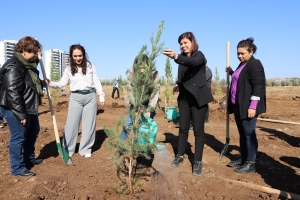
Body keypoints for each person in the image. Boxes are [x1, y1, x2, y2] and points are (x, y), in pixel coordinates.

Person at [163, 32, 214, 176]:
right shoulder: (182, 59)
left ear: (192, 43)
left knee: (198, 131)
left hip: (198, 98)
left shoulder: (199, 55)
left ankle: (197, 161)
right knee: (183, 128)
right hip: (184, 98)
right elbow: (183, 76)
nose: (183, 45)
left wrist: (176, 57)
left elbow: (194, 64)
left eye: (185, 42)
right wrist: (178, 85)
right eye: (181, 43)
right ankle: (179, 156)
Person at [46, 44, 105, 158]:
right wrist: (50, 83)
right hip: (75, 98)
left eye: (80, 55)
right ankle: (68, 148)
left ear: (84, 55)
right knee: (71, 124)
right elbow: (62, 83)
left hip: (90, 97)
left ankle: (85, 149)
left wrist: (101, 95)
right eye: (75, 56)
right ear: (71, 56)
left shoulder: (90, 66)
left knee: (89, 125)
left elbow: (96, 81)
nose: (78, 58)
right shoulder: (68, 69)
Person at [0, 36, 44, 176]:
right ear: (24, 50)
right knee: (19, 137)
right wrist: (20, 114)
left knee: (33, 131)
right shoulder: (13, 66)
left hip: (28, 105)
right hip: (15, 108)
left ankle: (28, 159)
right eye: (34, 53)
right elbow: (13, 93)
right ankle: (17, 168)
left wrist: (42, 83)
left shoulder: (26, 64)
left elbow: (28, 83)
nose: (36, 56)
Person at [226, 37, 266, 174]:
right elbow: (240, 80)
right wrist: (231, 72)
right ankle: (244, 158)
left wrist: (253, 106)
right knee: (242, 133)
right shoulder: (242, 64)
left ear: (251, 51)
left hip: (248, 106)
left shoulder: (254, 64)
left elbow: (257, 86)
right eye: (238, 53)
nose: (239, 56)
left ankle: (251, 163)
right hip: (238, 104)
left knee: (249, 133)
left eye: (242, 53)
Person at [120, 54, 159, 141]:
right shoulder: (132, 72)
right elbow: (130, 91)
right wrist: (137, 105)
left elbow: (155, 92)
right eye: (139, 67)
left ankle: (142, 150)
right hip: (135, 100)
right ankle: (120, 146)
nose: (141, 70)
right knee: (128, 123)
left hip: (149, 101)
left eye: (144, 68)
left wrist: (149, 109)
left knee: (143, 125)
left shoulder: (154, 73)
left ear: (148, 65)